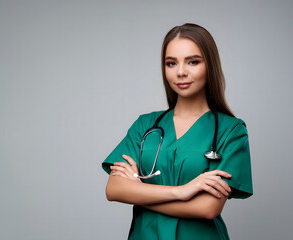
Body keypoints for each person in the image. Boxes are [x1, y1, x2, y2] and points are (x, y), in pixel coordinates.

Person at [102, 23, 253, 240]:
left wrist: (139, 191)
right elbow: (114, 189)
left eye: (193, 62)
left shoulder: (231, 131)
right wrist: (182, 191)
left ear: (209, 65)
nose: (181, 72)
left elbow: (208, 208)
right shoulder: (145, 125)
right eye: (171, 63)